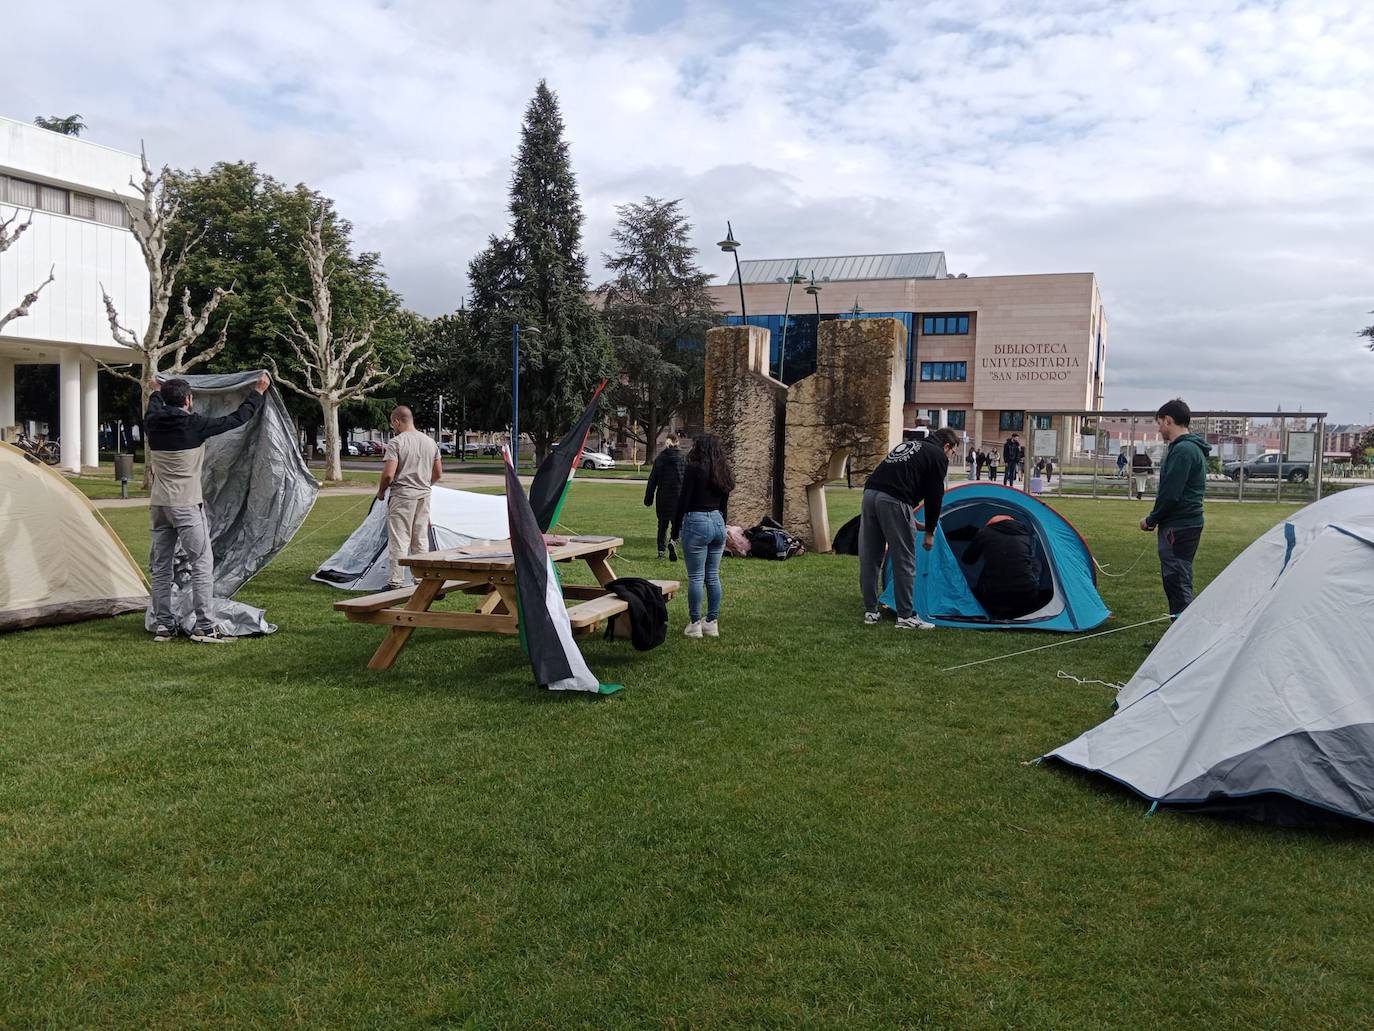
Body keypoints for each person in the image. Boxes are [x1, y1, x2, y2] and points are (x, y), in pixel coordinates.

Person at [145, 372, 270, 643]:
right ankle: (205, 626)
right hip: (186, 504)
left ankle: (163, 625)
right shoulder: (195, 424)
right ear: (189, 400)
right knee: (201, 563)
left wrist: (156, 390)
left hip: (159, 505)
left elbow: (154, 404)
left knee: (162, 565)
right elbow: (237, 419)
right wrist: (257, 393)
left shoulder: (152, 421)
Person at [859, 427, 960, 630]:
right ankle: (906, 617)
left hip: (870, 495)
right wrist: (930, 532)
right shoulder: (937, 455)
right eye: (953, 452)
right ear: (947, 446)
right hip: (893, 500)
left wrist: (912, 522)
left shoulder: (910, 445)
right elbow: (934, 497)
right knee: (904, 559)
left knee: (870, 556)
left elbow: (897, 483)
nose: (950, 456)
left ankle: (871, 611)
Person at [1140, 399, 1210, 618]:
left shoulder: (1184, 450)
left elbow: (1171, 494)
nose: (1159, 429)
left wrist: (1151, 520)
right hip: (1182, 524)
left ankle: (1184, 641)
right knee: (1177, 580)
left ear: (1168, 421)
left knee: (1178, 582)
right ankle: (1179, 636)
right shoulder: (1187, 448)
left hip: (1179, 527)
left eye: (1160, 423)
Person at [671, 433, 734, 639]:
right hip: (717, 520)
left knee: (696, 576)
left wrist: (675, 528)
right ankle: (712, 622)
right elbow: (724, 504)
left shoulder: (694, 469)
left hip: (696, 520)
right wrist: (721, 524)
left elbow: (683, 499)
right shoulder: (723, 471)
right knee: (713, 576)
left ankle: (695, 622)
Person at [376, 405, 442, 590]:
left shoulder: (396, 443)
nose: (393, 428)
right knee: (420, 538)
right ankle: (422, 579)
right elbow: (438, 473)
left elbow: (389, 474)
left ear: (397, 421)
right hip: (423, 494)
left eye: (393, 424)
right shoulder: (430, 442)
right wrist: (424, 484)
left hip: (403, 495)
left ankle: (395, 581)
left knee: (399, 538)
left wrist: (381, 491)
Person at [961, 514, 1050, 620]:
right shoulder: (1024, 534)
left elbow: (967, 560)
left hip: (996, 596)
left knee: (990, 568)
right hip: (1028, 594)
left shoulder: (985, 532)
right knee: (1034, 562)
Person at [644, 433, 686, 559]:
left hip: (663, 497)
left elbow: (652, 481)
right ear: (677, 442)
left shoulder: (660, 459)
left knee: (662, 525)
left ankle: (661, 551)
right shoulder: (684, 458)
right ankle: (673, 542)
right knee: (677, 524)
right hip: (679, 497)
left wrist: (648, 498)